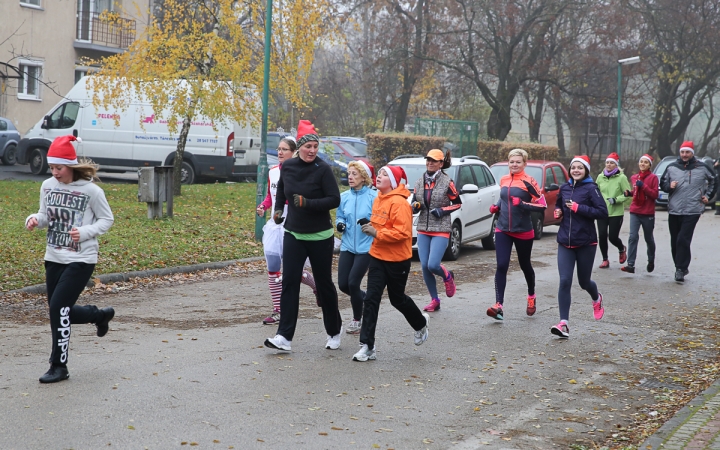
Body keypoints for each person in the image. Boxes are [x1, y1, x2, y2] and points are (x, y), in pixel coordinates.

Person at [24, 135, 115, 383]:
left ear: (71, 166)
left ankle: (59, 366)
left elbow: (107, 220)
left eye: (59, 168)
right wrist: (34, 219)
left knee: (58, 309)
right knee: (59, 312)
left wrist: (84, 233)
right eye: (51, 167)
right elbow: (45, 215)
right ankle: (98, 315)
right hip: (54, 256)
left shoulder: (92, 191)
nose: (54, 172)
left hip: (81, 259)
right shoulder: (47, 186)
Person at [264, 120, 342, 352]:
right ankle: (284, 337)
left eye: (316, 147)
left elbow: (334, 199)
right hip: (294, 233)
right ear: (299, 147)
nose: (312, 151)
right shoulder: (287, 167)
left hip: (320, 236)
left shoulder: (323, 169)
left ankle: (334, 331)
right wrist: (278, 211)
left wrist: (308, 203)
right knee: (289, 282)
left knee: (324, 284)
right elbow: (281, 195)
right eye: (308, 147)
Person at [352, 166, 429, 362]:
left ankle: (420, 323)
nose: (379, 176)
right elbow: (381, 224)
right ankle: (367, 346)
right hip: (377, 256)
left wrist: (376, 233)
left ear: (394, 182)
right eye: (379, 173)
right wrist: (369, 225)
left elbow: (403, 233)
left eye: (384, 174)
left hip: (397, 260)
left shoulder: (400, 203)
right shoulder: (379, 198)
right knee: (371, 299)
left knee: (397, 299)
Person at [256, 136, 318, 325]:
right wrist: (263, 207)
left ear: (294, 152)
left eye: (284, 149)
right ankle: (278, 310)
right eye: (279, 149)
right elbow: (271, 196)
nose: (280, 152)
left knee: (292, 271)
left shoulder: (300, 172)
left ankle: (317, 286)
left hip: (293, 225)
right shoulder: (273, 171)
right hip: (275, 226)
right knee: (273, 268)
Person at [551, 155, 608, 338]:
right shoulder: (565, 188)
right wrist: (558, 211)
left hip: (586, 242)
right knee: (565, 280)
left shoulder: (592, 189)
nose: (576, 170)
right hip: (565, 243)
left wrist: (578, 208)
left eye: (580, 168)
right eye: (573, 167)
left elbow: (602, 212)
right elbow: (559, 205)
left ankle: (596, 298)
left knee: (584, 282)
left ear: (586, 171)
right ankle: (563, 323)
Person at [486, 148, 547, 321]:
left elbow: (542, 205)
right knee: (501, 265)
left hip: (523, 230)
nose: (514, 164)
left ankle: (531, 296)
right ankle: (499, 305)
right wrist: (497, 206)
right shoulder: (504, 179)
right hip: (503, 228)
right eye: (511, 162)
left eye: (518, 162)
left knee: (525, 264)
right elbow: (504, 198)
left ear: (524, 164)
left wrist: (522, 204)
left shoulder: (529, 181)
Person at [411, 149, 461, 312]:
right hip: (423, 228)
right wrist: (415, 206)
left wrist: (442, 211)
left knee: (433, 265)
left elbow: (458, 203)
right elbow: (414, 203)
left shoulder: (447, 182)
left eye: (434, 160)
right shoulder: (419, 182)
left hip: (440, 227)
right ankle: (434, 299)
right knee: (425, 266)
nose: (430, 163)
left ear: (441, 163)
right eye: (428, 160)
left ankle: (447, 275)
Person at [659, 141, 717, 282]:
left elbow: (714, 180)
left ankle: (680, 268)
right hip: (674, 209)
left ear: (692, 153)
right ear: (680, 153)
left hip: (693, 209)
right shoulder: (672, 167)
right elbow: (662, 184)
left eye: (687, 152)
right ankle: (681, 266)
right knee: (675, 241)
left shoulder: (702, 167)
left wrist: (707, 196)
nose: (685, 155)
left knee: (683, 239)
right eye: (682, 152)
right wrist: (669, 186)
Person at [336, 160, 377, 334]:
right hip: (347, 246)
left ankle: (357, 320)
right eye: (349, 173)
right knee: (343, 285)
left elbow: (380, 220)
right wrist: (340, 224)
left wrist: (370, 223)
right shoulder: (344, 197)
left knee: (353, 283)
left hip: (366, 247)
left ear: (363, 177)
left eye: (354, 174)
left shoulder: (373, 197)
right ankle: (367, 299)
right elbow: (340, 216)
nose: (350, 177)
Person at [621, 154, 659, 273]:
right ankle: (631, 264)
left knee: (648, 238)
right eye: (641, 162)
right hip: (635, 211)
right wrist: (630, 193)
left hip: (647, 212)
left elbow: (654, 195)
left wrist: (643, 186)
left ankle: (651, 260)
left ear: (649, 165)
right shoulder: (634, 177)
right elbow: (636, 192)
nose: (642, 164)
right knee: (633, 237)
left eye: (645, 162)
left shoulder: (653, 178)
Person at [595, 152, 632, 269]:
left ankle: (621, 248)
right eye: (607, 162)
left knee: (612, 237)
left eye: (612, 163)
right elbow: (594, 192)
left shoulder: (621, 178)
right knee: (601, 235)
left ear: (616, 165)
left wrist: (616, 200)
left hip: (616, 212)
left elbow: (628, 195)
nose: (609, 165)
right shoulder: (600, 177)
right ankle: (605, 259)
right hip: (602, 211)